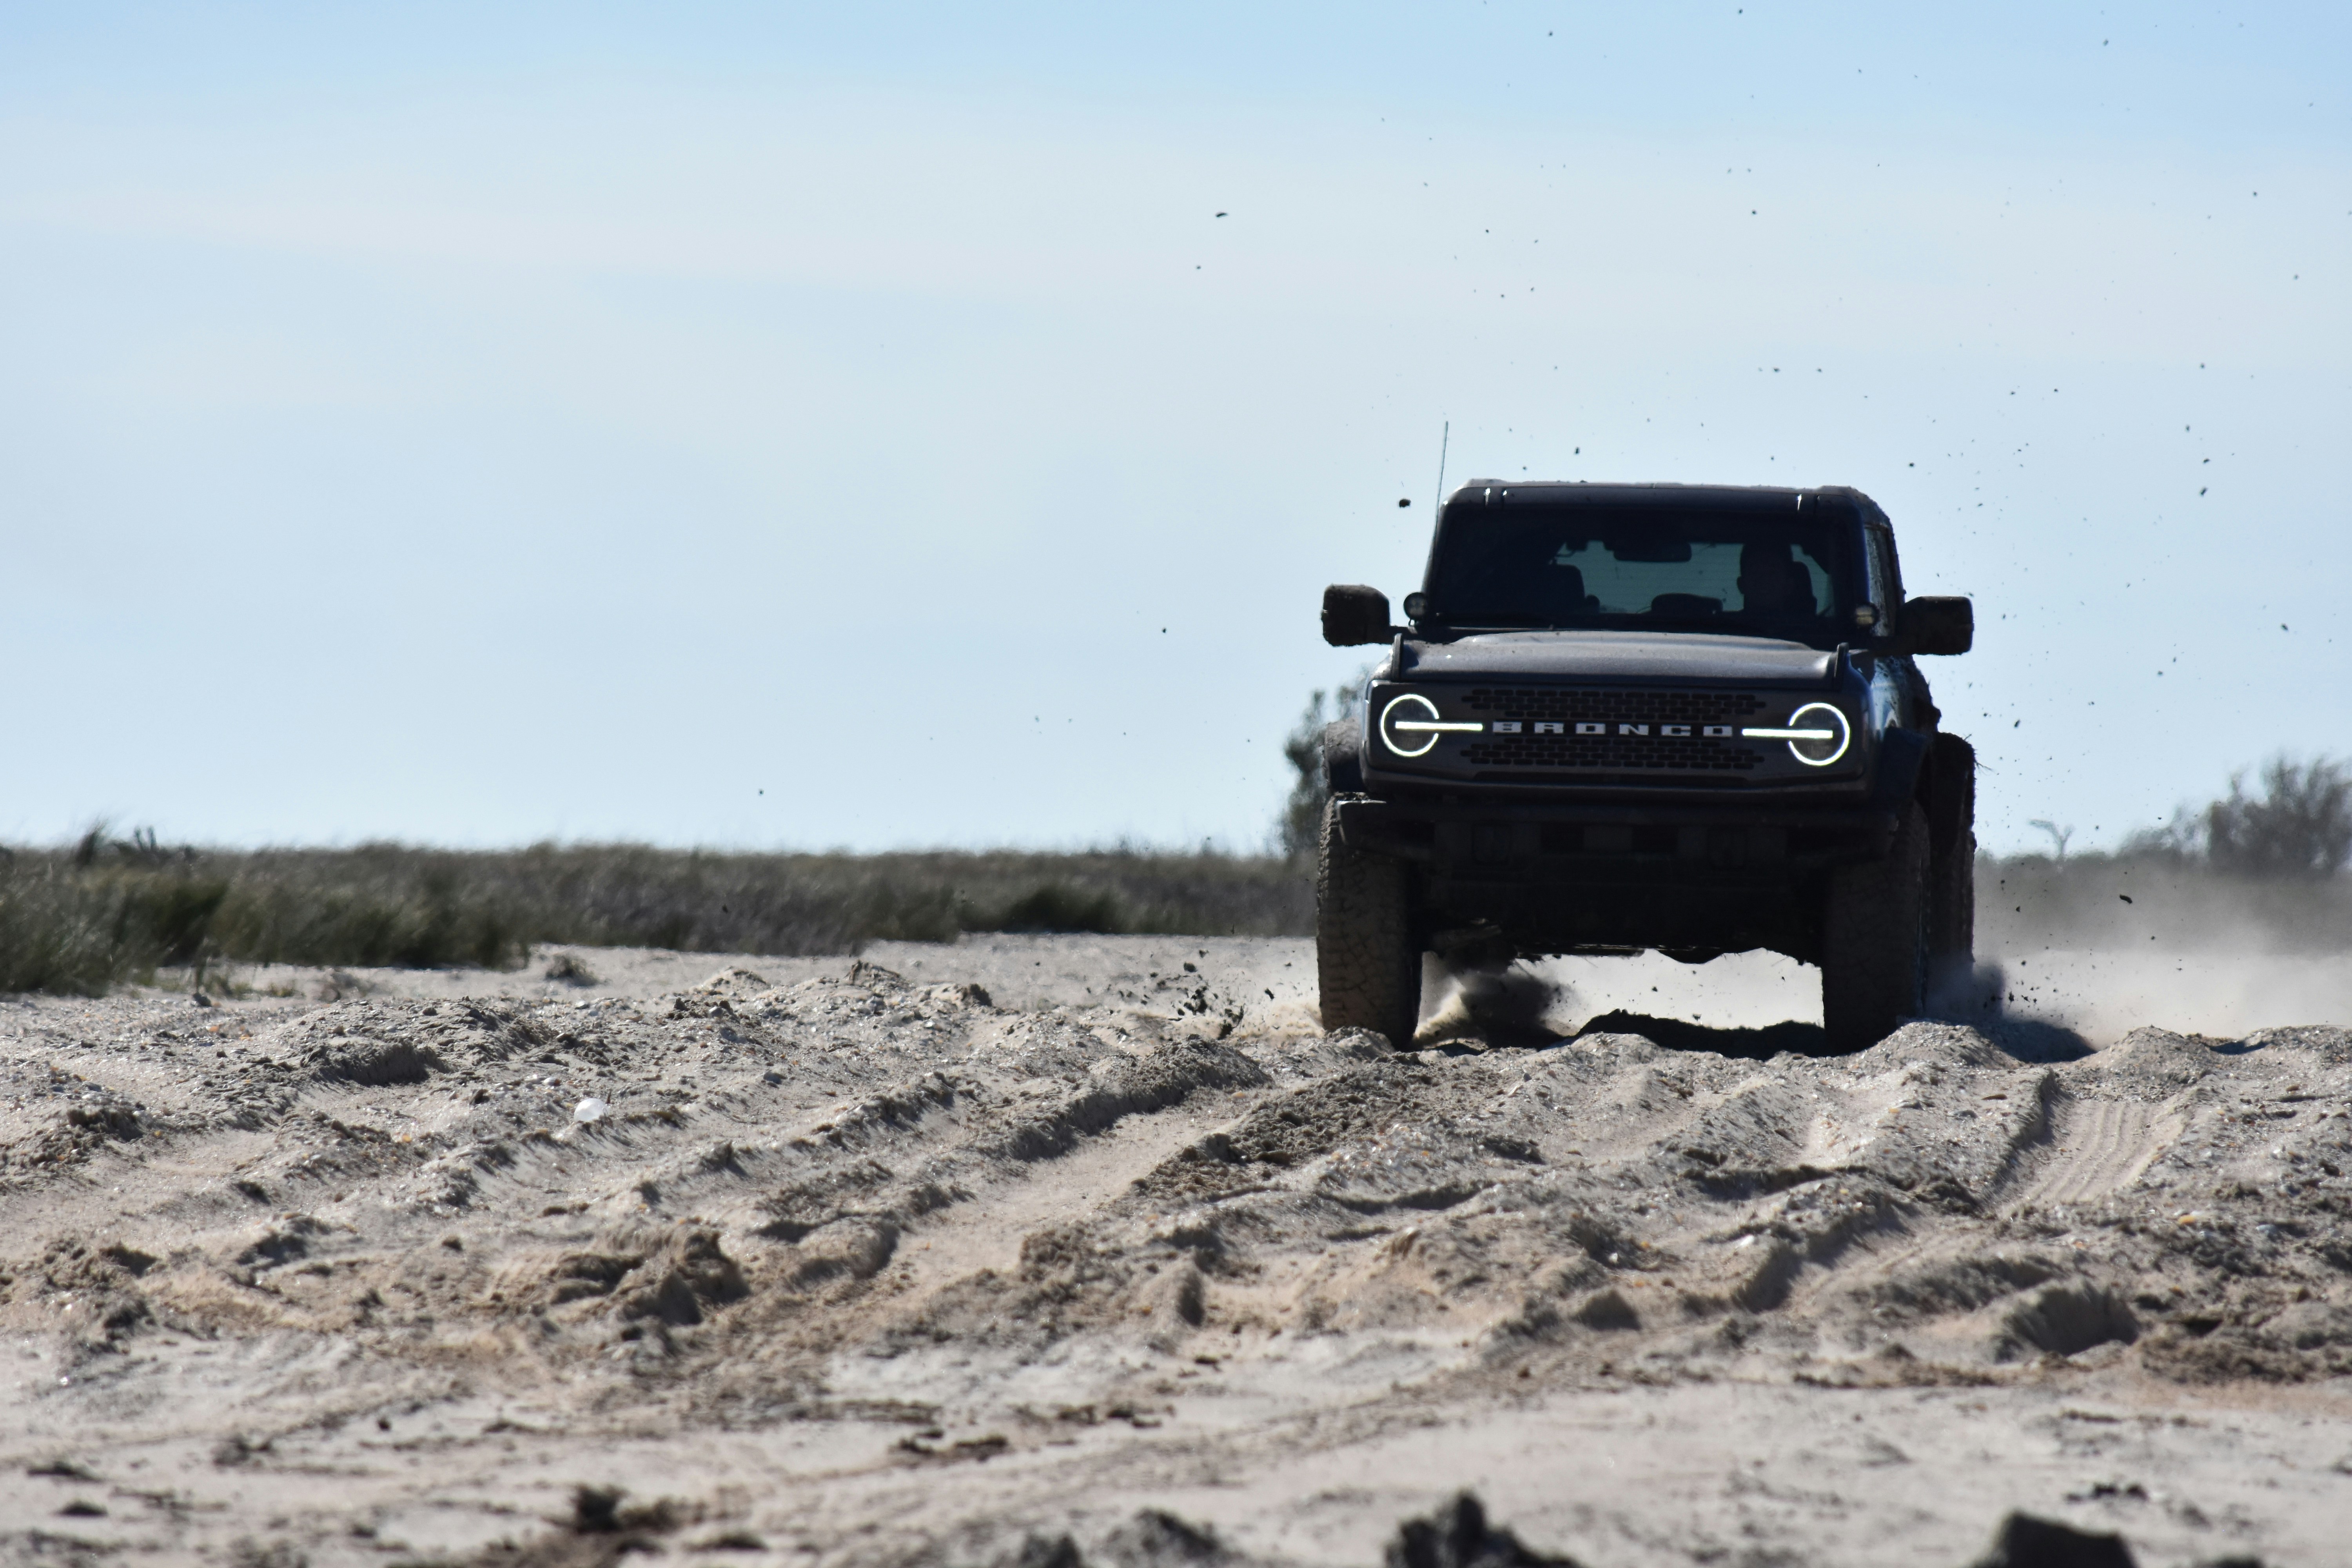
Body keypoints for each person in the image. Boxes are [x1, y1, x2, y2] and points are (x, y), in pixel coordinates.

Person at [1737, 542, 1813, 617]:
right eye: (1756, 572)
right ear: (1741, 584)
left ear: (1789, 586)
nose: (1764, 579)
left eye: (1772, 573)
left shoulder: (1809, 629)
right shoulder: (1727, 627)